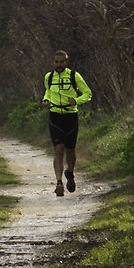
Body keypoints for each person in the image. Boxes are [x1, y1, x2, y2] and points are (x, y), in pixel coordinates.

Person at [42, 50, 92, 196]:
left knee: (70, 150)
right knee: (58, 149)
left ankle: (69, 173)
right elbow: (48, 91)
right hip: (55, 115)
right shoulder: (49, 77)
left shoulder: (74, 76)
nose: (59, 64)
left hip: (71, 116)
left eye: (62, 62)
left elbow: (88, 93)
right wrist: (46, 100)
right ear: (53, 63)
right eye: (56, 62)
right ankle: (59, 182)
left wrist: (76, 101)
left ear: (66, 62)